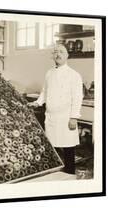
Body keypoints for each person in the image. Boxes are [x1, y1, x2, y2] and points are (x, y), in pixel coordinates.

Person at [28, 44, 83, 175]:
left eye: (61, 52)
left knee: (68, 146)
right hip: (51, 117)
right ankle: (54, 171)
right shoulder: (49, 73)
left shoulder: (74, 75)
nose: (58, 54)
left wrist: (74, 117)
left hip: (66, 117)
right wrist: (38, 102)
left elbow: (77, 97)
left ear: (67, 55)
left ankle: (69, 172)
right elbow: (45, 91)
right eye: (55, 52)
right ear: (53, 56)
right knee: (52, 145)